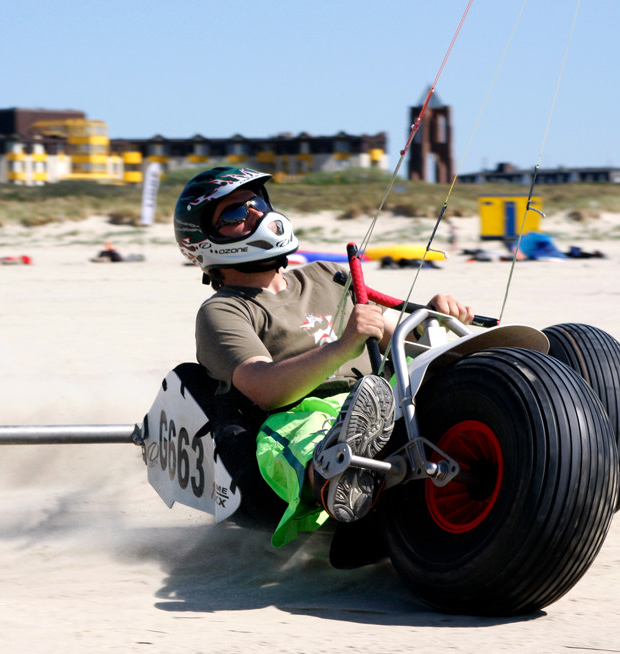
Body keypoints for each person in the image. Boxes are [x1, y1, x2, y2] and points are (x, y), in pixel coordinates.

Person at [174, 166, 474, 548]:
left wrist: (434, 318)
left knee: (437, 377)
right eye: (233, 214)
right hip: (299, 413)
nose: (253, 213)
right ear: (205, 239)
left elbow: (394, 341)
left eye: (256, 203)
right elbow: (264, 389)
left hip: (380, 393)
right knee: (301, 432)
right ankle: (334, 479)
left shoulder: (329, 275)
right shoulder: (224, 310)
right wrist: (340, 348)